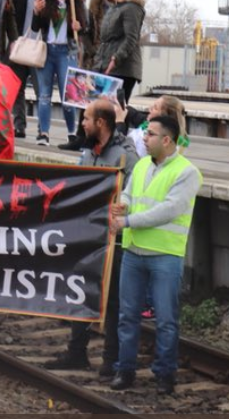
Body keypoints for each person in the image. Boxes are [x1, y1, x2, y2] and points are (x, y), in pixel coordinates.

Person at [44, 99, 138, 380]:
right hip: (88, 233)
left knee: (113, 303)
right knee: (80, 292)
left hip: (113, 238)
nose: (81, 123)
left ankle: (111, 360)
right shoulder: (88, 152)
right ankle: (77, 352)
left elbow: (133, 193)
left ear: (101, 123)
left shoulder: (125, 156)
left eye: (86, 118)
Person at [108, 115, 202, 395]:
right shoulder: (141, 167)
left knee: (166, 319)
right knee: (127, 315)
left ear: (166, 140)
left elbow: (168, 211)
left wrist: (127, 222)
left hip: (164, 254)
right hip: (135, 251)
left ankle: (165, 374)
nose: (144, 138)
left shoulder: (187, 172)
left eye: (150, 134)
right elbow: (128, 194)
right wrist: (123, 206)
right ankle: (124, 370)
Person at [31, 0, 88, 149]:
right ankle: (44, 133)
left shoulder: (76, 3)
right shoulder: (46, 0)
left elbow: (87, 28)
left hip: (67, 52)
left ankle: (71, 132)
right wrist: (36, 12)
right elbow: (35, 27)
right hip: (47, 51)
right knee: (44, 95)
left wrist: (80, 27)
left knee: (69, 96)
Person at [9, 0, 47, 138]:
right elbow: (9, 19)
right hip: (20, 47)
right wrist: (11, 40)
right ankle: (19, 127)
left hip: (38, 48)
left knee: (42, 91)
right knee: (17, 88)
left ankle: (43, 129)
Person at [94, 0, 146, 101]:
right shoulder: (114, 8)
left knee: (115, 110)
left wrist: (116, 59)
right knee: (95, 107)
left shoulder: (131, 9)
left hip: (122, 69)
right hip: (104, 65)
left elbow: (131, 38)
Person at [82, 0, 116, 72]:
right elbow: (85, 32)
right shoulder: (93, 9)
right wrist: (93, 52)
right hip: (95, 58)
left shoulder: (122, 9)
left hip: (114, 59)